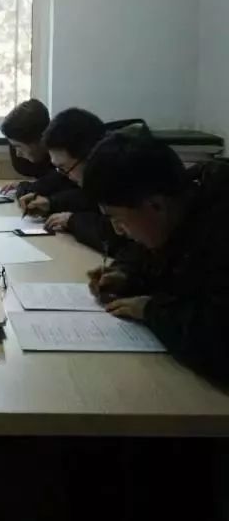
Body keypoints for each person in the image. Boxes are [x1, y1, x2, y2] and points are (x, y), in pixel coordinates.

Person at [83, 132, 229, 383]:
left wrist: (151, 311)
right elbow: (151, 254)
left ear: (156, 205)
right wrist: (127, 275)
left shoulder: (220, 226)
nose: (118, 230)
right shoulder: (183, 202)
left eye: (117, 218)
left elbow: (219, 340)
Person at [18, 108, 126, 254]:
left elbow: (117, 238)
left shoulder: (125, 183)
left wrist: (72, 221)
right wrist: (51, 203)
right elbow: (85, 198)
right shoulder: (98, 177)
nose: (65, 176)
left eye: (64, 168)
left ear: (90, 157)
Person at [0, 99, 61, 195]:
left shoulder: (63, 156)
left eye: (19, 146)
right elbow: (49, 182)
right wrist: (29, 186)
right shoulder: (25, 162)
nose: (17, 154)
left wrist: (30, 187)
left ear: (41, 140)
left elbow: (61, 183)